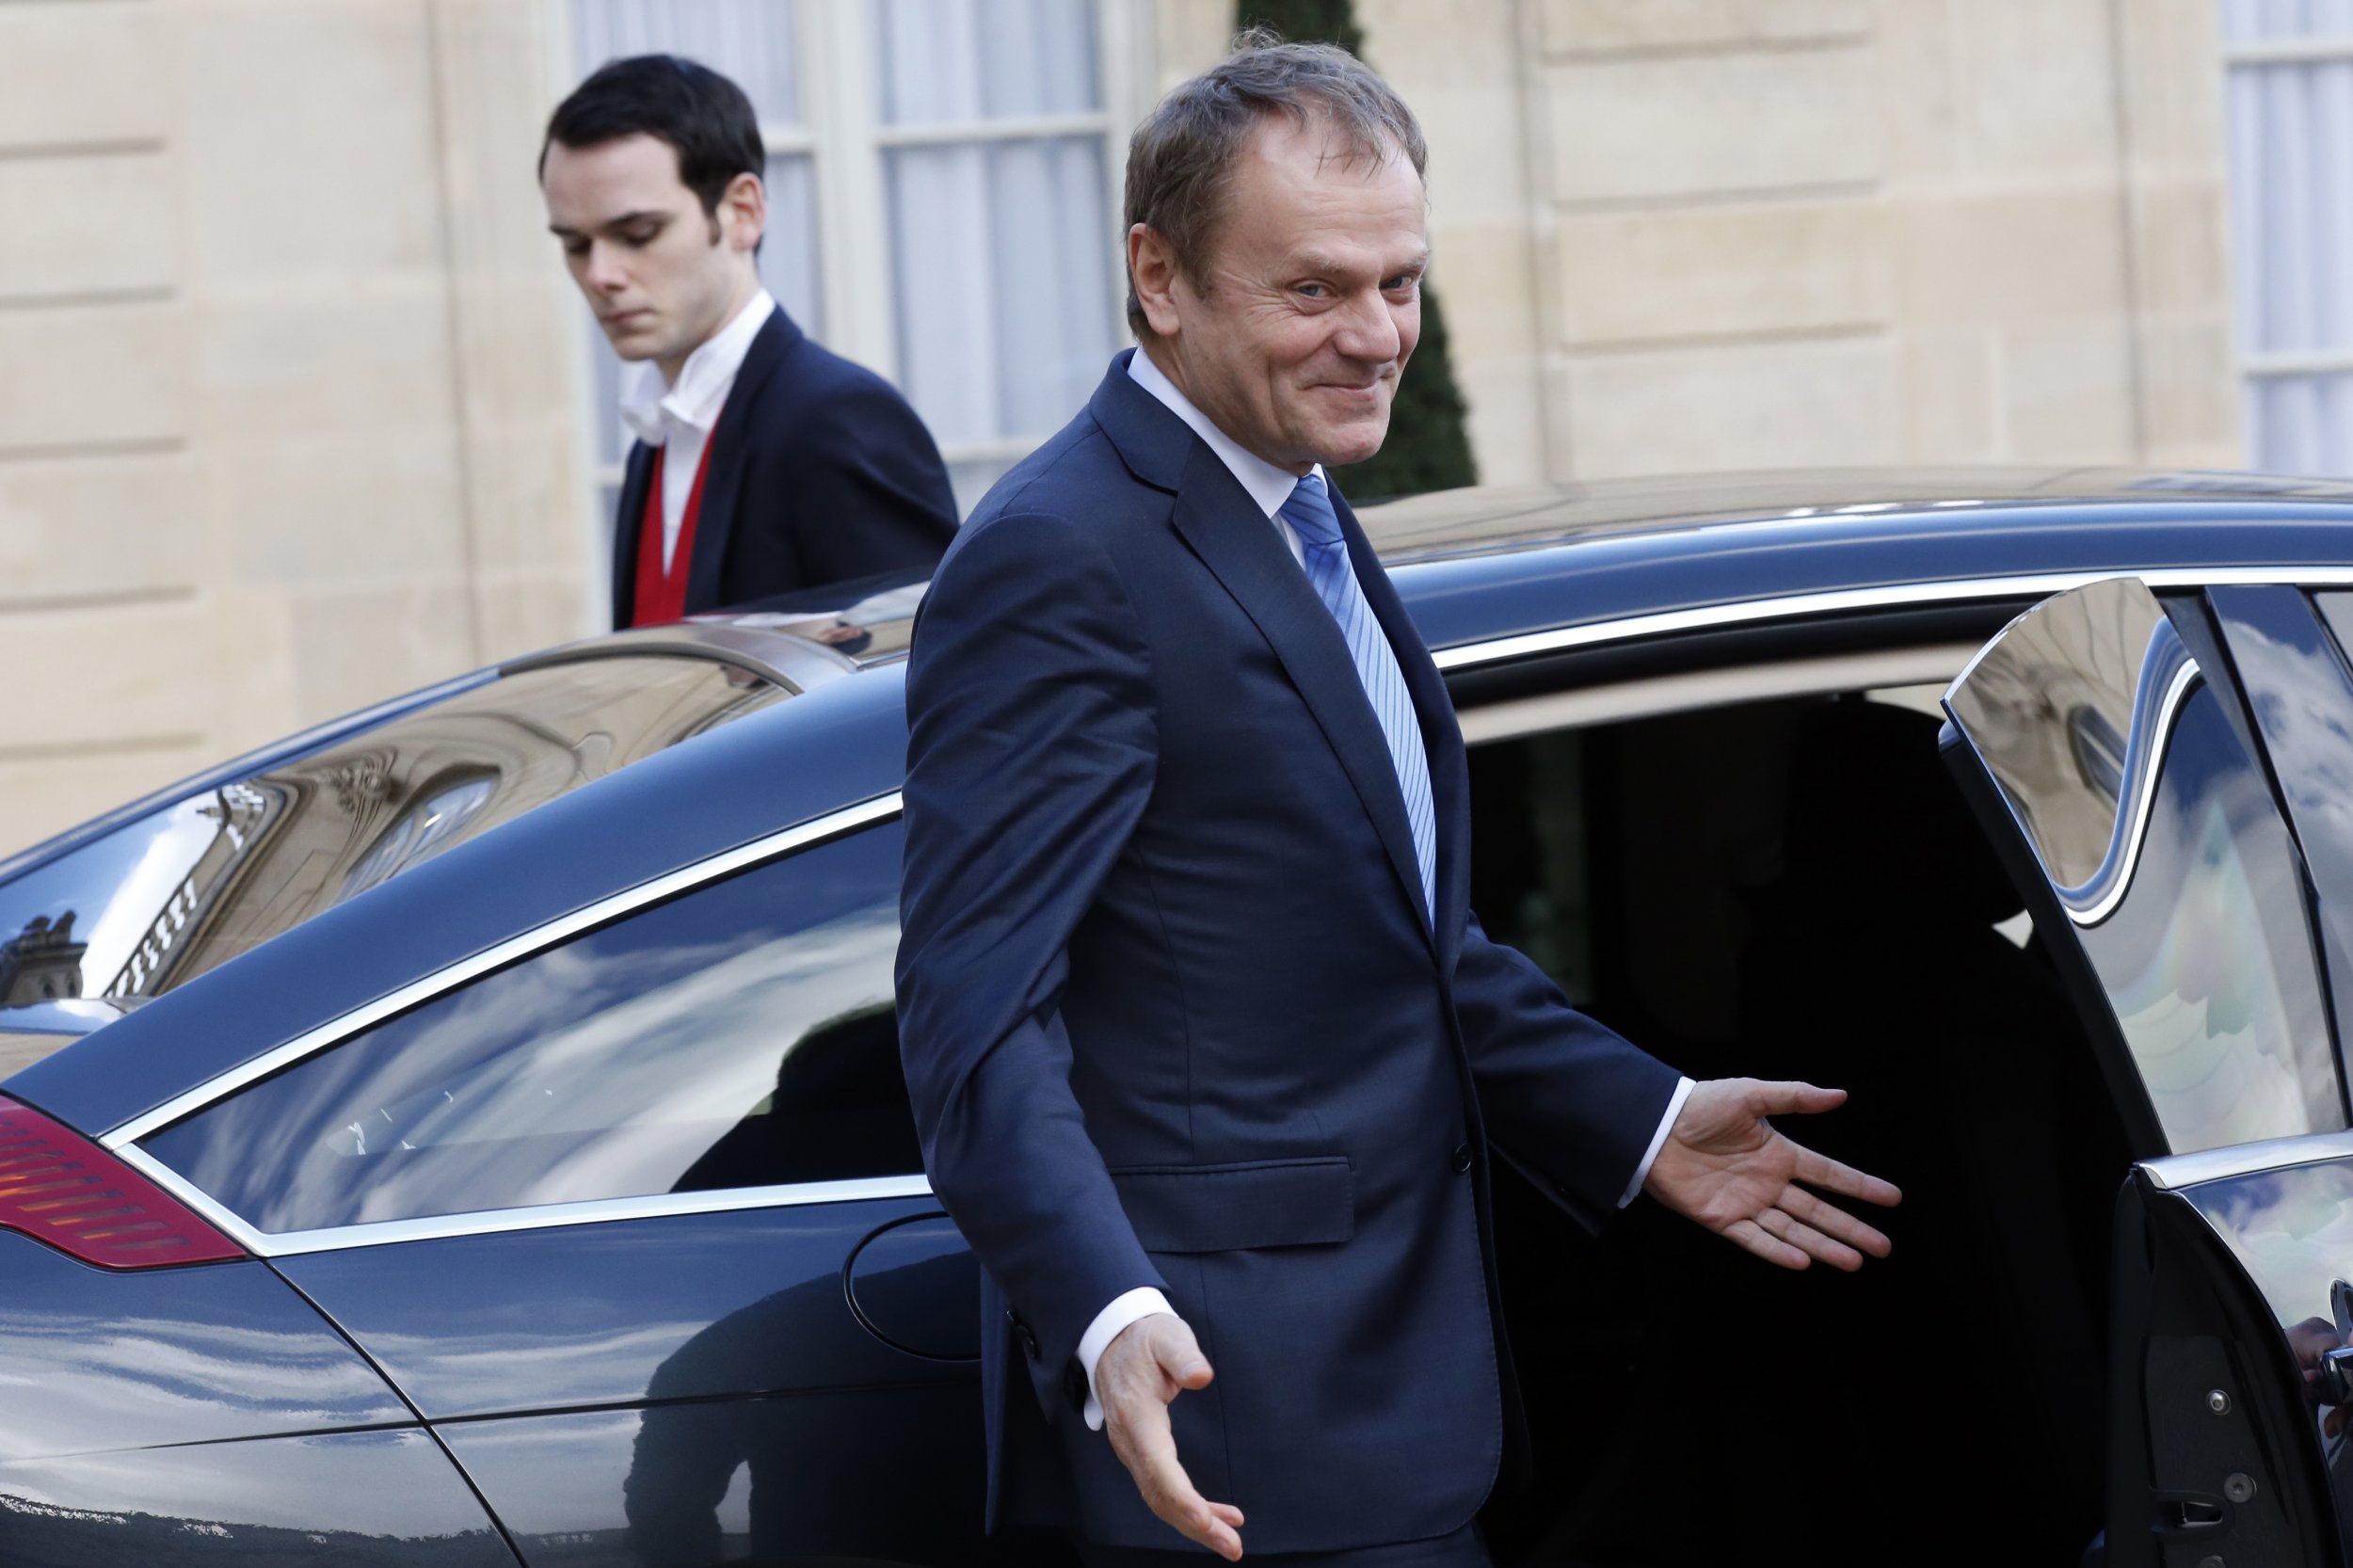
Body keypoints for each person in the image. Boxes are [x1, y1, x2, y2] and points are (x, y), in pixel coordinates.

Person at [893, 34, 1901, 1568]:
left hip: (1393, 1406)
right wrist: (1107, 1308)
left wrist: (1640, 1120)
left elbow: (1396, 935)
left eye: (1400, 283)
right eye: (1312, 290)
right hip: (1233, 1439)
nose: (1374, 337)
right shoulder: (1064, 557)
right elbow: (976, 1020)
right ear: (1159, 278)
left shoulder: (1293, 496)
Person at [540, 55, 958, 630]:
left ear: (743, 212)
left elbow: (922, 681)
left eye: (636, 234)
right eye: (576, 245)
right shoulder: (657, 436)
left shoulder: (837, 418)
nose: (600, 275)